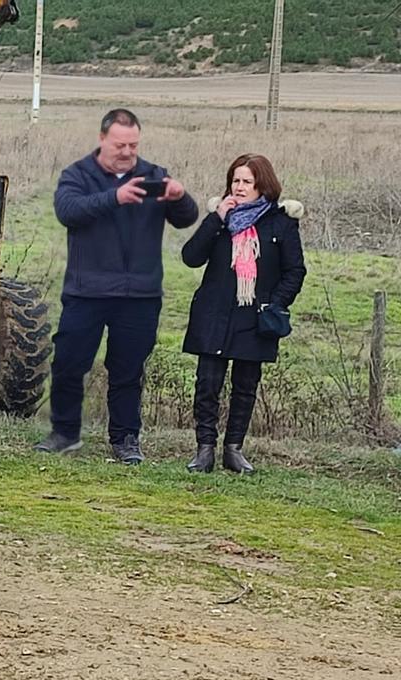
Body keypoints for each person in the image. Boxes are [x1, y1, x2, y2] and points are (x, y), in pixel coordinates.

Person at [35, 108, 199, 464]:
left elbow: (186, 219)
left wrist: (179, 196)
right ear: (102, 139)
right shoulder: (78, 175)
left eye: (133, 145)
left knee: (127, 371)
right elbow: (68, 211)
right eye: (120, 145)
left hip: (139, 294)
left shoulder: (154, 175)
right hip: (87, 291)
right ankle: (64, 433)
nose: (127, 152)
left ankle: (126, 440)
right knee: (68, 364)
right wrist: (115, 197)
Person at [180, 154, 306, 474]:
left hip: (255, 316)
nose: (239, 187)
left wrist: (276, 303)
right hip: (215, 312)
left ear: (262, 185)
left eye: (247, 181)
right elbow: (191, 257)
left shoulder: (281, 221)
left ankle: (233, 450)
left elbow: (295, 271)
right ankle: (204, 449)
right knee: (207, 384)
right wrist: (216, 219)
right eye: (235, 181)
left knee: (246, 385)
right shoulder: (220, 220)